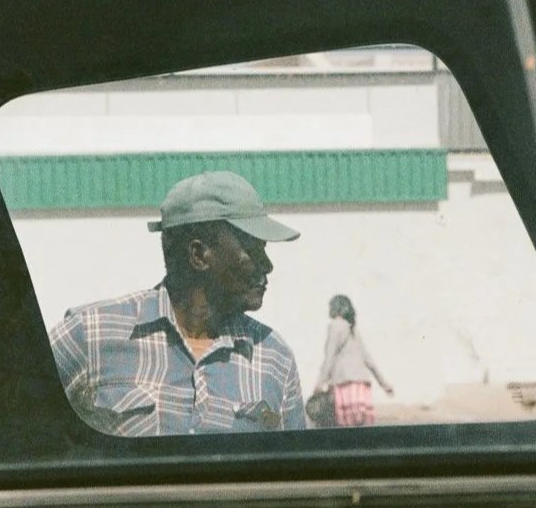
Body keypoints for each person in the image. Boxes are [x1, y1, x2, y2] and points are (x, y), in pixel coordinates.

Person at [48, 171, 306, 435]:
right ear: (199, 255)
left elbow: (294, 471)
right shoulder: (90, 334)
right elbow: (13, 422)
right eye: (253, 250)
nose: (267, 265)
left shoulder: (275, 357)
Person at [311, 293, 393, 427]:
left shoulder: (335, 326)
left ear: (335, 308)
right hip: (361, 386)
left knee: (345, 432)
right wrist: (384, 384)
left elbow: (329, 358)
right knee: (361, 433)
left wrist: (319, 383)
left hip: (344, 385)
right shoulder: (352, 329)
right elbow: (368, 359)